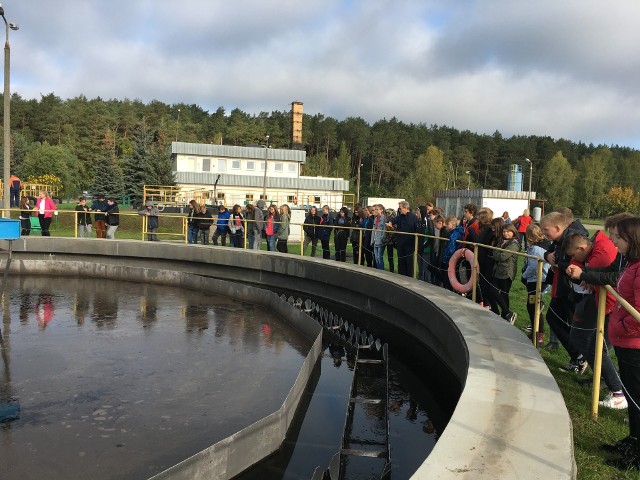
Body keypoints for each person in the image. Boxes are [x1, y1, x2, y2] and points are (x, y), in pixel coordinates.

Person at [563, 231, 626, 410]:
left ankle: (618, 392)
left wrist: (584, 274)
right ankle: (609, 384)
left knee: (596, 348)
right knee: (589, 345)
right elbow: (605, 272)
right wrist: (585, 273)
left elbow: (612, 277)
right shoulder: (599, 249)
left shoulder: (604, 251)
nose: (613, 240)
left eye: (617, 236)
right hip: (606, 304)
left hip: (613, 307)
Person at [601, 217, 640, 469]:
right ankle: (634, 440)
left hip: (634, 344)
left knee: (636, 398)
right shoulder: (632, 263)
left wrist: (623, 327)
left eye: (619, 237)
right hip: (627, 342)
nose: (614, 241)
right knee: (632, 395)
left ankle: (637, 456)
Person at [541, 210, 589, 369]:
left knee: (575, 328)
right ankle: (578, 357)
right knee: (554, 319)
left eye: (546, 230)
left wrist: (557, 263)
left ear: (557, 228)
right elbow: (551, 251)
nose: (543, 233)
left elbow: (572, 264)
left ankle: (583, 359)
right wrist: (547, 256)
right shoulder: (560, 239)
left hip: (572, 290)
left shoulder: (574, 238)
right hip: (563, 288)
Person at [521, 223, 551, 344]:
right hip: (539, 279)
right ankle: (535, 331)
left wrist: (524, 276)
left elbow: (533, 266)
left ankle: (538, 334)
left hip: (536, 280)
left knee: (534, 307)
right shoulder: (544, 246)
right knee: (533, 306)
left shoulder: (536, 248)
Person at [489, 223, 520, 324]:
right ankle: (506, 313)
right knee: (493, 290)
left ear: (513, 232)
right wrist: (497, 251)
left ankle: (506, 314)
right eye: (504, 231)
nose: (506, 233)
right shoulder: (502, 242)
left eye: (508, 231)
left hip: (507, 272)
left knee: (504, 293)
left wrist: (495, 251)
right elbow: (499, 254)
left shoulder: (514, 244)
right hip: (498, 271)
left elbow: (502, 256)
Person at [386, 201, 419, 277]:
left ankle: (409, 277)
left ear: (405, 208)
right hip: (400, 244)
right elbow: (392, 220)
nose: (399, 210)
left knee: (409, 262)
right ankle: (401, 276)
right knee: (401, 261)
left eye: (400, 208)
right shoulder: (400, 216)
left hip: (409, 244)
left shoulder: (414, 217)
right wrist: (390, 222)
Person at [371, 205, 386, 269]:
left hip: (380, 241)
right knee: (376, 258)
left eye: (377, 209)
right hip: (375, 240)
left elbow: (384, 230)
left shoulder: (384, 219)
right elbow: (373, 230)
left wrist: (382, 239)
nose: (375, 211)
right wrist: (372, 240)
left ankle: (381, 271)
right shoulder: (375, 219)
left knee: (379, 257)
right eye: (375, 209)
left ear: (381, 210)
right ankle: (378, 271)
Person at [384, 208, 397, 273]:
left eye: (388, 213)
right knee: (390, 256)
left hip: (393, 240)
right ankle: (391, 269)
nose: (387, 214)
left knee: (391, 256)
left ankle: (391, 269)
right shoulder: (387, 219)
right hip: (389, 240)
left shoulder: (393, 219)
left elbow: (393, 230)